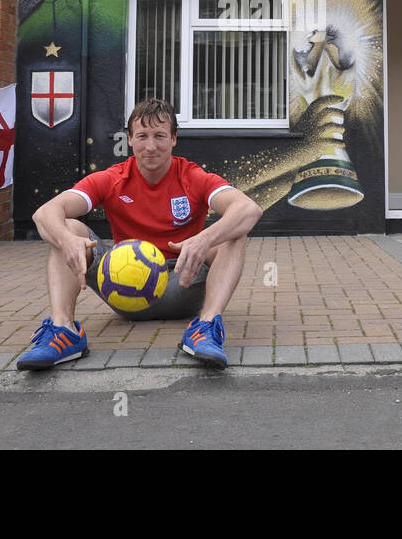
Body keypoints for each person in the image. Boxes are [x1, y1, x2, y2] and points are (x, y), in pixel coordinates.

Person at [17, 97, 262, 370]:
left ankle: (204, 328)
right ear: (130, 140)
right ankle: (64, 332)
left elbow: (249, 210)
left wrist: (204, 239)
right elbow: (44, 213)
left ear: (173, 139)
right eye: (142, 136)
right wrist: (67, 241)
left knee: (232, 233)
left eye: (159, 136)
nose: (151, 146)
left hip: (182, 282)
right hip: (122, 288)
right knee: (69, 227)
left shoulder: (193, 176)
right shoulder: (112, 178)